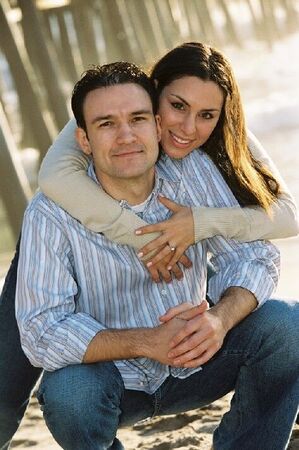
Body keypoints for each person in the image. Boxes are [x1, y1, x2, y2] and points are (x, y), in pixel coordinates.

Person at [0, 42, 298, 449]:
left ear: (153, 122)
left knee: (288, 325)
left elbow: (266, 243)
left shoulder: (198, 163)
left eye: (137, 119)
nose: (188, 128)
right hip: (114, 375)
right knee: (54, 387)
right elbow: (41, 330)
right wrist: (146, 337)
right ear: (84, 139)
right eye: (106, 124)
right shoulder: (53, 203)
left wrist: (219, 318)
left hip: (194, 365)